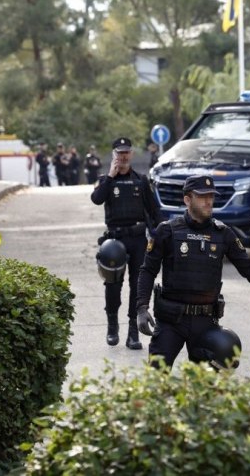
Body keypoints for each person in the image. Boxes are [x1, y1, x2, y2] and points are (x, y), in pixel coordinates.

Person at [135, 174, 250, 369]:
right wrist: (141, 307)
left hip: (205, 323)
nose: (209, 201)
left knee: (208, 388)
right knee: (156, 379)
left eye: (211, 196)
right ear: (187, 200)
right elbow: (147, 270)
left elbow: (248, 267)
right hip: (171, 320)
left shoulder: (223, 233)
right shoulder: (167, 231)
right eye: (202, 197)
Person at [91, 137, 161, 349]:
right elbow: (97, 199)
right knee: (113, 285)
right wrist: (110, 177)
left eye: (126, 152)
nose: (122, 156)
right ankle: (112, 325)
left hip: (138, 239)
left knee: (137, 286)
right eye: (119, 153)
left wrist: (160, 234)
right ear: (114, 155)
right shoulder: (106, 180)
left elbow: (154, 210)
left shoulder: (141, 180)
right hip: (114, 240)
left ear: (130, 154)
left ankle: (133, 332)